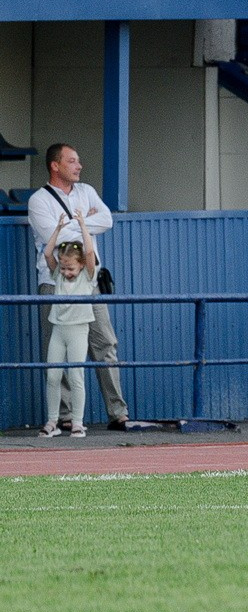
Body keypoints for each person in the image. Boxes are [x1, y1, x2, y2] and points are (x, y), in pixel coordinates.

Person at [26, 143, 128, 430]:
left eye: (78, 161)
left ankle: (118, 413)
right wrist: (83, 223)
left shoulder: (86, 191)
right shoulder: (39, 200)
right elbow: (55, 238)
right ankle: (66, 416)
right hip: (55, 283)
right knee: (57, 349)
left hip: (89, 283)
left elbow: (107, 220)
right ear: (55, 165)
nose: (79, 166)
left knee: (105, 343)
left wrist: (71, 224)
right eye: (72, 161)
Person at [39, 235, 97, 438]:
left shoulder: (87, 276)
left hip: (78, 329)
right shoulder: (58, 276)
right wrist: (58, 229)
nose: (66, 272)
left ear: (81, 265)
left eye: (70, 268)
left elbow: (89, 252)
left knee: (76, 376)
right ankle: (52, 421)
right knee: (53, 375)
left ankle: (77, 422)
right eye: (63, 268)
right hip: (58, 328)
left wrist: (82, 225)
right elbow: (47, 253)